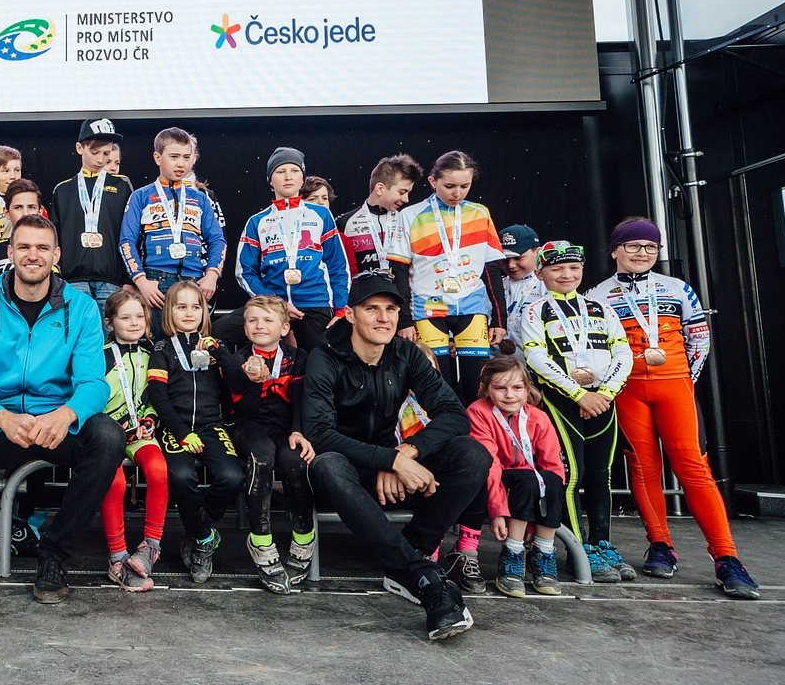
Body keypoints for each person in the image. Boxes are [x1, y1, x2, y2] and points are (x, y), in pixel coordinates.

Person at [0, 215, 123, 603]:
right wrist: (1, 417)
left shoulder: (83, 308)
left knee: (108, 437)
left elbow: (93, 384)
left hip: (54, 426)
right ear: (11, 252)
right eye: (25, 247)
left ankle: (54, 554)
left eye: (42, 248)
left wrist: (65, 415)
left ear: (57, 255)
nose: (33, 255)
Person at [301, 271, 491, 641]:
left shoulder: (406, 353)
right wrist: (388, 460)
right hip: (346, 472)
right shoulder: (324, 356)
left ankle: (410, 560)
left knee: (472, 453)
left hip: (393, 464)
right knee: (327, 465)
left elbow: (454, 415)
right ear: (350, 315)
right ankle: (423, 576)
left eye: (390, 309)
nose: (383, 318)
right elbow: (320, 433)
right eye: (371, 309)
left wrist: (406, 453)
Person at [587, 217, 761, 599]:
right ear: (615, 250)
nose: (642, 253)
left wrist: (686, 380)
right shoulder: (595, 296)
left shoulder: (677, 288)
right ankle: (660, 545)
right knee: (643, 468)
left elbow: (699, 338)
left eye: (650, 247)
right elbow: (594, 350)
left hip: (675, 385)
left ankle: (727, 558)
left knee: (693, 468)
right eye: (633, 246)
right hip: (627, 390)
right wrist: (610, 385)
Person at [520, 240, 634, 582]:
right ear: (540, 272)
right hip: (563, 401)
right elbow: (536, 358)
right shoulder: (534, 310)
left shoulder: (601, 308)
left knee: (601, 475)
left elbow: (623, 352)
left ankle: (602, 543)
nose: (566, 274)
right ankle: (577, 550)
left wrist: (605, 393)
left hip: (603, 399)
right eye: (556, 269)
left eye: (573, 268)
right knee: (572, 475)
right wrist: (579, 394)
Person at [387, 150, 509, 404]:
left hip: (471, 305)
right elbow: (399, 271)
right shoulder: (410, 215)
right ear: (433, 181)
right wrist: (404, 319)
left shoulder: (480, 213)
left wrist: (499, 318)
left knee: (477, 382)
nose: (458, 193)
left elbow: (492, 269)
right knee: (437, 382)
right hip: (427, 307)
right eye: (450, 186)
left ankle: (475, 430)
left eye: (465, 186)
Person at [145, 280, 245, 583]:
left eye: (195, 306)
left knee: (232, 477)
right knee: (180, 476)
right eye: (181, 306)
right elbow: (158, 397)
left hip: (211, 425)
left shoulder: (216, 347)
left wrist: (222, 354)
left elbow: (238, 386)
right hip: (175, 427)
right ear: (169, 312)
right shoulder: (161, 349)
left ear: (204, 311)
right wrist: (180, 432)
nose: (189, 313)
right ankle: (204, 539)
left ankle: (198, 531)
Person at [223, 296, 316, 593]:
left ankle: (304, 535)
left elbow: (300, 399)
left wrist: (298, 430)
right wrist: (252, 381)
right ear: (244, 328)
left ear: (284, 327)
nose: (259, 325)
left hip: (284, 428)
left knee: (294, 460)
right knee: (262, 455)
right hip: (246, 426)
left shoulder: (298, 357)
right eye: (252, 320)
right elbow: (244, 410)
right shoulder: (236, 360)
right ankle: (261, 541)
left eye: (267, 320)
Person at [467, 356, 568, 597]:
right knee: (526, 479)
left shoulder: (539, 417)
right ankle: (512, 553)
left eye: (517, 387)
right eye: (500, 388)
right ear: (485, 389)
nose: (510, 395)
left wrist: (533, 521)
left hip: (531, 485)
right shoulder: (478, 413)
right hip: (495, 483)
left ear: (527, 388)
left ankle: (543, 553)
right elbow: (491, 466)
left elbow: (553, 466)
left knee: (553, 479)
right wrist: (498, 511)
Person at [235, 147, 350, 352]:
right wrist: (274, 301)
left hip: (316, 304)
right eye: (280, 171)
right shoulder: (257, 221)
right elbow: (244, 271)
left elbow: (338, 266)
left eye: (294, 170)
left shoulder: (321, 215)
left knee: (316, 363)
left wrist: (341, 309)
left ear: (302, 178)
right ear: (270, 180)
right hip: (272, 306)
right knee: (223, 330)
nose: (288, 176)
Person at [120, 127, 226, 338]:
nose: (181, 163)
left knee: (194, 347)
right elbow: (126, 242)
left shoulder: (200, 198)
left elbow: (217, 240)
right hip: (156, 282)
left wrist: (212, 275)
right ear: (158, 157)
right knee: (158, 346)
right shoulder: (141, 196)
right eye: (174, 157)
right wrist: (141, 281)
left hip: (194, 280)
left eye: (186, 157)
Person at [98, 290, 169, 592]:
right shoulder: (99, 355)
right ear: (109, 323)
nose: (134, 322)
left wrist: (149, 420)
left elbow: (155, 398)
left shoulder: (153, 353)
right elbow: (90, 399)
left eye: (140, 316)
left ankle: (150, 547)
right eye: (125, 317)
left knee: (159, 471)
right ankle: (117, 557)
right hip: (109, 434)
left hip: (140, 432)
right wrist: (115, 427)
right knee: (115, 483)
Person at [52, 117, 134, 316]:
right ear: (80, 148)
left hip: (112, 280)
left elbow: (131, 234)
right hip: (73, 280)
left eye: (106, 153)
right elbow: (54, 236)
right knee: (78, 331)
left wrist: (129, 279)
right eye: (95, 152)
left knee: (110, 332)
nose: (100, 160)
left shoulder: (122, 186)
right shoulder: (63, 190)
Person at [337, 153, 423, 277]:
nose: (406, 199)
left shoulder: (407, 221)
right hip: (360, 289)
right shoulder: (344, 222)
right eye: (402, 192)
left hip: (399, 289)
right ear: (380, 189)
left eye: (408, 193)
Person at [498, 223, 544, 356]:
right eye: (505, 259)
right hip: (496, 364)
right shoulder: (495, 286)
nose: (511, 265)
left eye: (518, 258)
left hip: (534, 364)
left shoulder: (547, 285)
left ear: (537, 252)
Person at [0, 177, 43, 274]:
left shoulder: (47, 249)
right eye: (18, 207)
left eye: (31, 207)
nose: (25, 213)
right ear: (6, 212)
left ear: (40, 212)